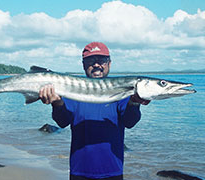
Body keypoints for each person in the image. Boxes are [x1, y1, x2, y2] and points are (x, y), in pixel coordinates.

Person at [39, 42, 150, 180]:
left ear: (109, 63)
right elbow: (62, 122)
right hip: (79, 170)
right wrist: (57, 103)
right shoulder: (72, 89)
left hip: (113, 170)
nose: (97, 65)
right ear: (83, 64)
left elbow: (129, 122)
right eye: (91, 61)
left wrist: (134, 103)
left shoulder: (122, 91)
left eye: (101, 60)